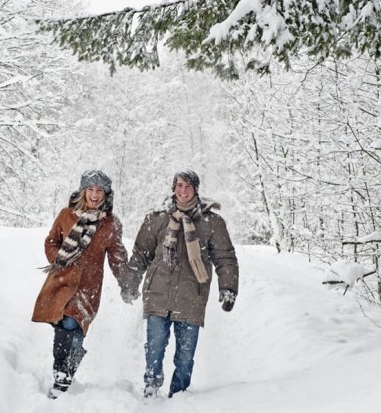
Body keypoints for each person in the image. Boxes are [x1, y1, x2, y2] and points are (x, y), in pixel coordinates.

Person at [121, 170, 239, 398]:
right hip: (157, 291)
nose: (183, 191)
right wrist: (130, 282)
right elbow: (140, 254)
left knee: (185, 354)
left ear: (196, 189)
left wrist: (228, 288)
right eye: (179, 185)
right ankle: (151, 386)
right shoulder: (156, 218)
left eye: (188, 186)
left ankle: (179, 394)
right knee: (154, 346)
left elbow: (225, 258)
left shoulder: (211, 222)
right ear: (173, 188)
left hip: (192, 294)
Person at [32, 170, 128, 399]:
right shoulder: (66, 215)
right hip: (62, 283)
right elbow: (51, 242)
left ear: (106, 194)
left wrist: (127, 282)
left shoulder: (110, 224)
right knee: (64, 325)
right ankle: (61, 375)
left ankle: (66, 372)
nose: (95, 195)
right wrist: (59, 259)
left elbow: (117, 256)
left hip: (88, 289)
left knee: (76, 332)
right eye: (91, 189)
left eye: (100, 191)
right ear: (83, 191)